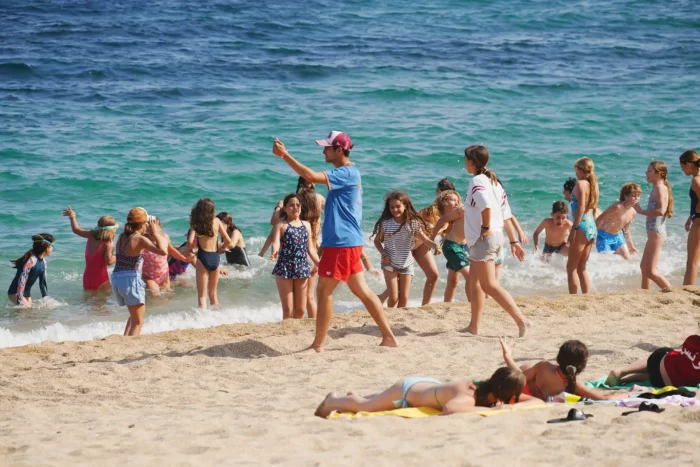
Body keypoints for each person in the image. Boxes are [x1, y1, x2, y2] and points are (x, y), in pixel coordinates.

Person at [272, 131, 397, 352]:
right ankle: (388, 337)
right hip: (346, 242)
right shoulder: (349, 173)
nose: (323, 152)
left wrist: (284, 155)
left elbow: (310, 176)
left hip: (342, 244)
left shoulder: (346, 173)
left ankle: (318, 344)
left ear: (339, 150)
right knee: (362, 291)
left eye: (327, 148)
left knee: (323, 292)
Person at [461, 145, 530, 337]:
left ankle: (522, 321)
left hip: (484, 238)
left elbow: (486, 207)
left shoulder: (477, 181)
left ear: (472, 162)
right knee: (474, 281)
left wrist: (484, 227)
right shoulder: (494, 182)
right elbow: (506, 215)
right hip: (494, 237)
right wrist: (514, 242)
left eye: (466, 159)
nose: (464, 163)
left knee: (489, 285)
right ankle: (474, 327)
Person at [314, 367, 538, 418]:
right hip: (407, 390)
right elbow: (450, 409)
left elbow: (534, 400)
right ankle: (333, 401)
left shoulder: (489, 388)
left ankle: (352, 397)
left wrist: (510, 406)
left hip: (429, 386)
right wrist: (498, 409)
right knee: (366, 407)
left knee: (374, 401)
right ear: (503, 391)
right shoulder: (469, 396)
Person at [500, 337, 628, 400]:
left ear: (558, 358)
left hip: (522, 391)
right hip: (531, 398)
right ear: (582, 367)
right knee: (528, 368)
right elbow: (604, 399)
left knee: (527, 367)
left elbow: (518, 377)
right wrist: (627, 393)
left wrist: (507, 356)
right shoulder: (575, 385)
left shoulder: (543, 367)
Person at [372, 191, 438, 308]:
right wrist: (383, 254)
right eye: (392, 207)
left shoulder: (413, 224)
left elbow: (425, 240)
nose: (395, 210)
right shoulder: (386, 224)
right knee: (393, 298)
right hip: (389, 263)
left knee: (404, 299)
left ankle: (395, 318)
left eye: (398, 206)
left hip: (407, 264)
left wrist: (436, 246)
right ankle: (388, 314)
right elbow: (377, 241)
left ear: (405, 206)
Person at [112, 208, 168, 336]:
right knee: (138, 322)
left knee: (133, 316)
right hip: (130, 279)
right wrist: (156, 233)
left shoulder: (122, 236)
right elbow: (163, 251)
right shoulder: (139, 239)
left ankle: (125, 339)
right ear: (143, 223)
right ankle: (130, 345)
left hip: (117, 277)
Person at [270, 193, 320, 319]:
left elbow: (310, 249)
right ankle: (286, 330)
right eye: (291, 205)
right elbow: (275, 242)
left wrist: (320, 264)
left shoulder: (306, 225)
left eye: (298, 205)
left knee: (301, 310)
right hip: (284, 267)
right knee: (288, 309)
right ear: (285, 208)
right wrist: (274, 251)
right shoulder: (281, 224)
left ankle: (296, 330)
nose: (295, 207)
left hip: (302, 267)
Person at [412, 178, 455, 304]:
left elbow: (448, 233)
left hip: (422, 245)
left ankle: (425, 306)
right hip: (409, 243)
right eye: (442, 194)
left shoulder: (451, 214)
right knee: (403, 278)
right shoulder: (430, 211)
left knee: (433, 275)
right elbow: (414, 225)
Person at [259, 177, 325, 257]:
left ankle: (261, 254)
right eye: (310, 182)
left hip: (300, 247)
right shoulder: (318, 198)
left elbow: (274, 222)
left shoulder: (293, 203)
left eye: (313, 182)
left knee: (279, 225)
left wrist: (279, 206)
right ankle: (262, 254)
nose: (313, 185)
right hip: (311, 245)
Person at [188, 198, 234, 308]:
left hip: (203, 257)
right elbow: (228, 240)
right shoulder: (217, 221)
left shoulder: (196, 224)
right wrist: (223, 248)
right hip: (215, 257)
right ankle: (217, 315)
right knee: (213, 295)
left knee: (202, 297)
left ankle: (203, 316)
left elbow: (190, 242)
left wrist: (193, 250)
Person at [606, 335, 700, 388]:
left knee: (669, 356)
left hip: (658, 362)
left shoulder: (692, 340)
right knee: (677, 372)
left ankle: (622, 371)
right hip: (662, 382)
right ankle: (626, 380)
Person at [635, 161, 673, 291]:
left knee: (650, 271)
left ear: (659, 174)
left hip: (656, 232)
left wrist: (641, 211)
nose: (646, 173)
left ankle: (671, 291)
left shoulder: (660, 188)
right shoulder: (657, 187)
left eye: (649, 171)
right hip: (653, 233)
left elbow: (661, 211)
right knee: (644, 267)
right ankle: (645, 294)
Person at [430, 190, 471, 302]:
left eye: (457, 200)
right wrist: (432, 238)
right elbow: (442, 220)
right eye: (452, 200)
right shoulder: (460, 211)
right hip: (453, 247)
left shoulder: (465, 210)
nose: (456, 202)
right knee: (470, 276)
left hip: (464, 247)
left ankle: (447, 303)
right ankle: (472, 303)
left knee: (453, 281)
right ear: (444, 202)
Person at [62, 206, 116, 292]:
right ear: (112, 230)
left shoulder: (90, 235)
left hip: (87, 278)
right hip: (101, 279)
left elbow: (76, 230)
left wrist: (73, 217)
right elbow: (109, 262)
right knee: (104, 300)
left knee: (88, 300)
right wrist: (120, 254)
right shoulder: (108, 243)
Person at [567, 157, 599, 294]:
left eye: (575, 169)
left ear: (579, 170)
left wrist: (574, 228)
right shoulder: (593, 184)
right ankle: (587, 296)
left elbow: (581, 208)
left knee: (571, 268)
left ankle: (573, 298)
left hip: (581, 225)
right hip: (591, 226)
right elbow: (593, 208)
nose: (575, 172)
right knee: (582, 267)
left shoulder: (580, 184)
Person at [142, 217, 191, 293]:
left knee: (167, 294)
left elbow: (171, 250)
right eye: (149, 226)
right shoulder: (143, 239)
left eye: (154, 227)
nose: (152, 229)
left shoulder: (164, 237)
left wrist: (183, 258)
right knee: (155, 293)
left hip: (164, 274)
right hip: (148, 275)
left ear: (160, 227)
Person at [595, 183, 641, 259]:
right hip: (603, 236)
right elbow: (600, 219)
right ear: (625, 196)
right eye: (633, 196)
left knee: (627, 259)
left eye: (638, 196)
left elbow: (626, 230)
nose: (636, 198)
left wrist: (631, 246)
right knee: (606, 260)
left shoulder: (633, 212)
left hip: (618, 237)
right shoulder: (617, 207)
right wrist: (593, 236)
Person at [7, 234, 54, 307]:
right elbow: (22, 281)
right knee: (26, 310)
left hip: (26, 293)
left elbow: (42, 283)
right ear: (46, 247)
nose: (52, 248)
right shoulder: (31, 261)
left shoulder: (43, 262)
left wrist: (46, 298)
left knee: (29, 312)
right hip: (15, 292)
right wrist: (20, 299)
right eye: (51, 246)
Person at [298, 189, 323, 318]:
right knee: (310, 296)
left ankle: (300, 320)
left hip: (304, 258)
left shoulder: (301, 221)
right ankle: (314, 320)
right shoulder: (317, 219)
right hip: (314, 257)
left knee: (301, 297)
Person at [680, 150, 700, 285]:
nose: (682, 170)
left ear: (688, 164)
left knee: (692, 261)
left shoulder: (696, 180)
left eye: (682, 167)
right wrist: (690, 216)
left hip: (698, 222)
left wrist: (697, 211)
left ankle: (687, 290)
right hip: (696, 218)